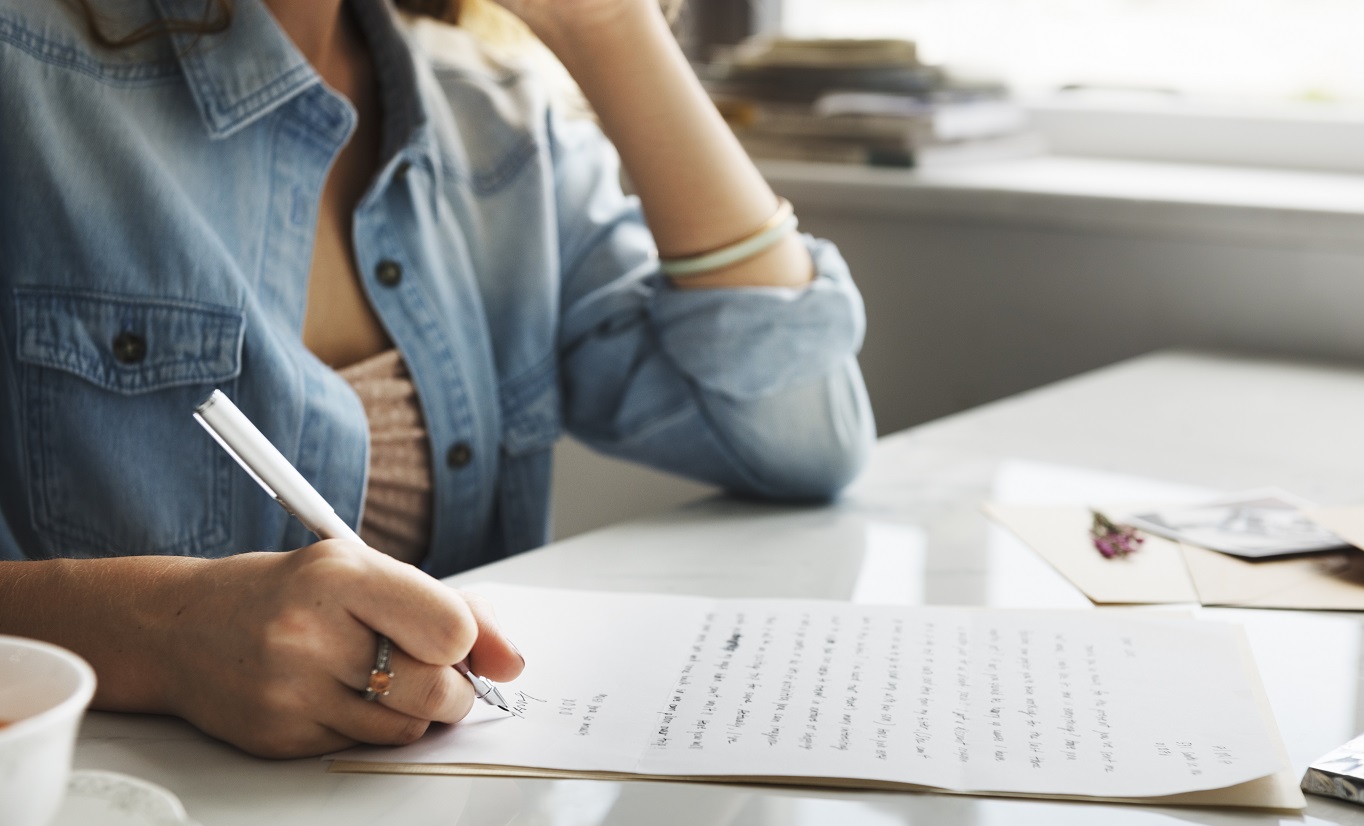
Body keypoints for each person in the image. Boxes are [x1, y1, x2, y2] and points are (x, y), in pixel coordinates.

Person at [0, 0, 874, 757]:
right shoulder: (24, 72)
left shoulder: (496, 121)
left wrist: (611, 25)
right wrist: (165, 634)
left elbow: (806, 437)